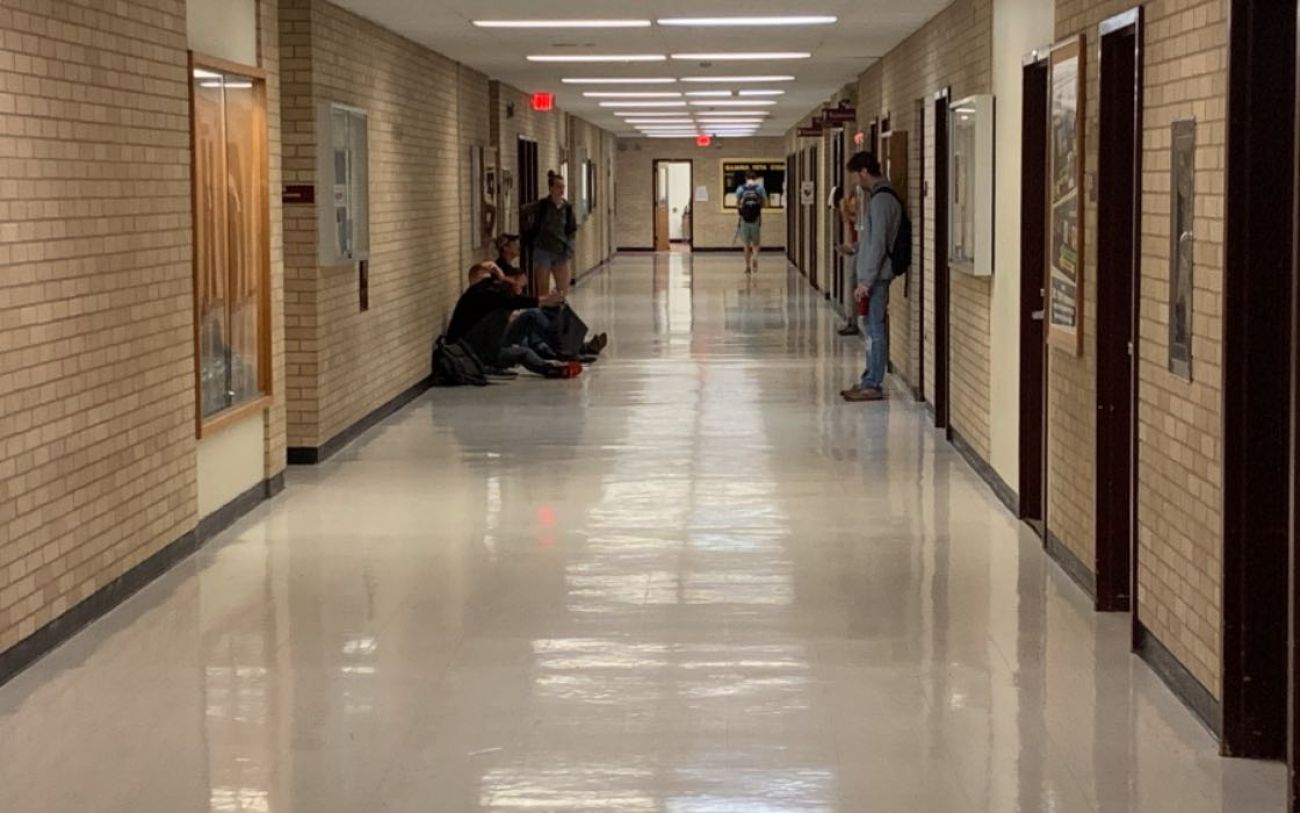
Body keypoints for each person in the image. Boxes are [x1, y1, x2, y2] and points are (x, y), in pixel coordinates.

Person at [837, 152, 902, 403]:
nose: (855, 182)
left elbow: (878, 244)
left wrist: (866, 280)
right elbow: (870, 240)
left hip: (877, 277)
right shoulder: (876, 199)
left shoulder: (882, 201)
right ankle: (868, 378)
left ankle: (873, 383)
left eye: (855, 176)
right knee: (870, 328)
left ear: (864, 171)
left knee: (875, 330)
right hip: (873, 275)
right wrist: (854, 248)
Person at [446, 263, 580, 379]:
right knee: (525, 349)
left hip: (490, 343)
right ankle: (555, 364)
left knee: (532, 316)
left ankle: (574, 348)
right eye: (489, 276)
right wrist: (543, 300)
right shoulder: (476, 294)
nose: (492, 280)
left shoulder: (486, 295)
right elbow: (507, 300)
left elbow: (507, 299)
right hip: (477, 352)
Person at [493, 237, 608, 360]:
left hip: (513, 318)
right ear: (505, 248)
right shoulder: (498, 272)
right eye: (514, 244)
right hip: (503, 328)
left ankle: (580, 346)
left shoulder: (510, 269)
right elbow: (508, 302)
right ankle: (571, 350)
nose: (518, 246)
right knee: (533, 315)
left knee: (554, 308)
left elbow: (517, 298)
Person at [524, 172, 577, 297]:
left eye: (563, 187)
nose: (561, 190)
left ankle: (559, 313)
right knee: (542, 290)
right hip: (542, 250)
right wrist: (528, 229)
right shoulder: (541, 205)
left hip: (560, 251)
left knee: (563, 289)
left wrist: (570, 248)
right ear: (551, 188)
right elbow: (523, 211)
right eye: (558, 187)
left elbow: (572, 230)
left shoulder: (567, 208)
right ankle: (543, 314)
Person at [734, 171, 767, 274]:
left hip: (744, 219)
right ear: (755, 178)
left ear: (746, 178)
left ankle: (747, 267)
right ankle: (755, 258)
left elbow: (737, 203)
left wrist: (741, 211)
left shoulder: (740, 188)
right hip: (756, 219)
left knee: (746, 244)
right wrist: (757, 208)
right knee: (756, 243)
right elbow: (764, 203)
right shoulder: (760, 188)